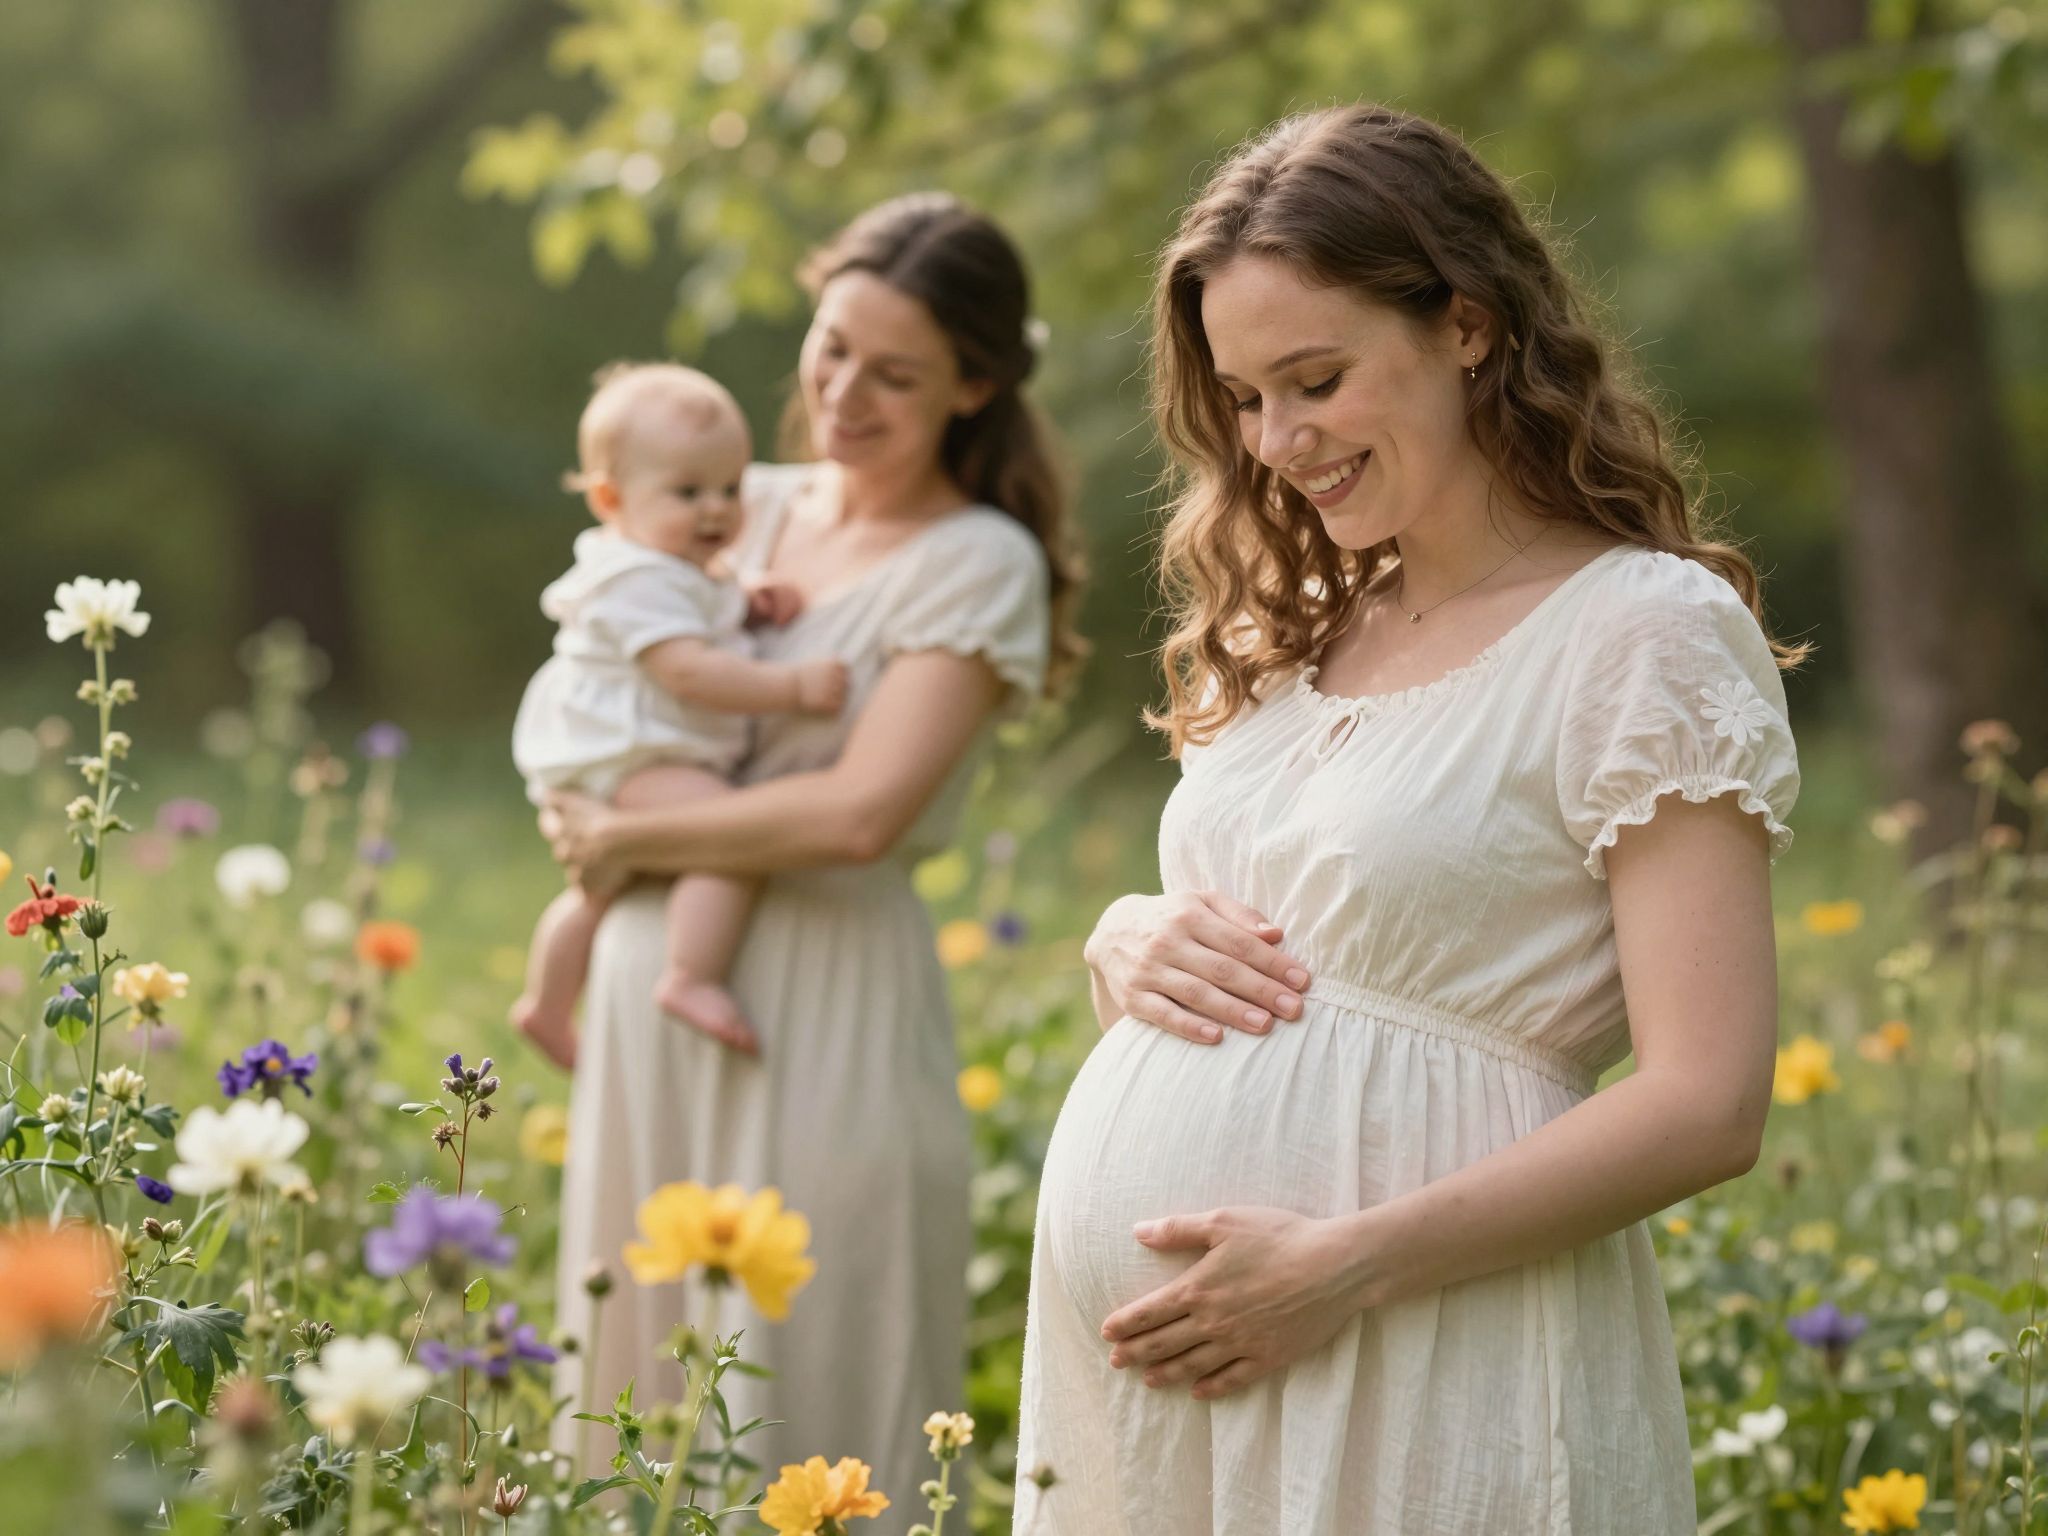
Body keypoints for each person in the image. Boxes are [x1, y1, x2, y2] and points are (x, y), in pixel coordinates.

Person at [1015, 103, 1805, 1534]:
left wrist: (1345, 1266)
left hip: (1430, 1342)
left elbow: (1709, 1104)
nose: (1278, 441)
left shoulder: (1639, 633)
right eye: (1244, 398)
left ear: (1467, 325)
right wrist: (1122, 940)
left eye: (1314, 379)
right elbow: (1279, 957)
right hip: (1169, 1395)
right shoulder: (1289, 630)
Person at [538, 193, 1087, 1501]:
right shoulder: (738, 507)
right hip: (646, 1009)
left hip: (823, 1005)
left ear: (975, 385)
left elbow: (857, 814)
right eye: (831, 348)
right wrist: (578, 793)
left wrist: (626, 833)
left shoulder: (977, 561)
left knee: (812, 1396)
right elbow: (599, 670)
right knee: (636, 1408)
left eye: (894, 374)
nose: (841, 394)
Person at [510, 363, 850, 1064]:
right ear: (611, 498)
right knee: (731, 838)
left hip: (630, 752)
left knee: (602, 888)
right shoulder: (633, 579)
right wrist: (791, 687)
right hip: (635, 754)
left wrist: (748, 599)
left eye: (730, 488)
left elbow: (700, 607)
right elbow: (690, 670)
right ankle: (691, 975)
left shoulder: (664, 563)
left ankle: (545, 1005)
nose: (716, 510)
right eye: (688, 492)